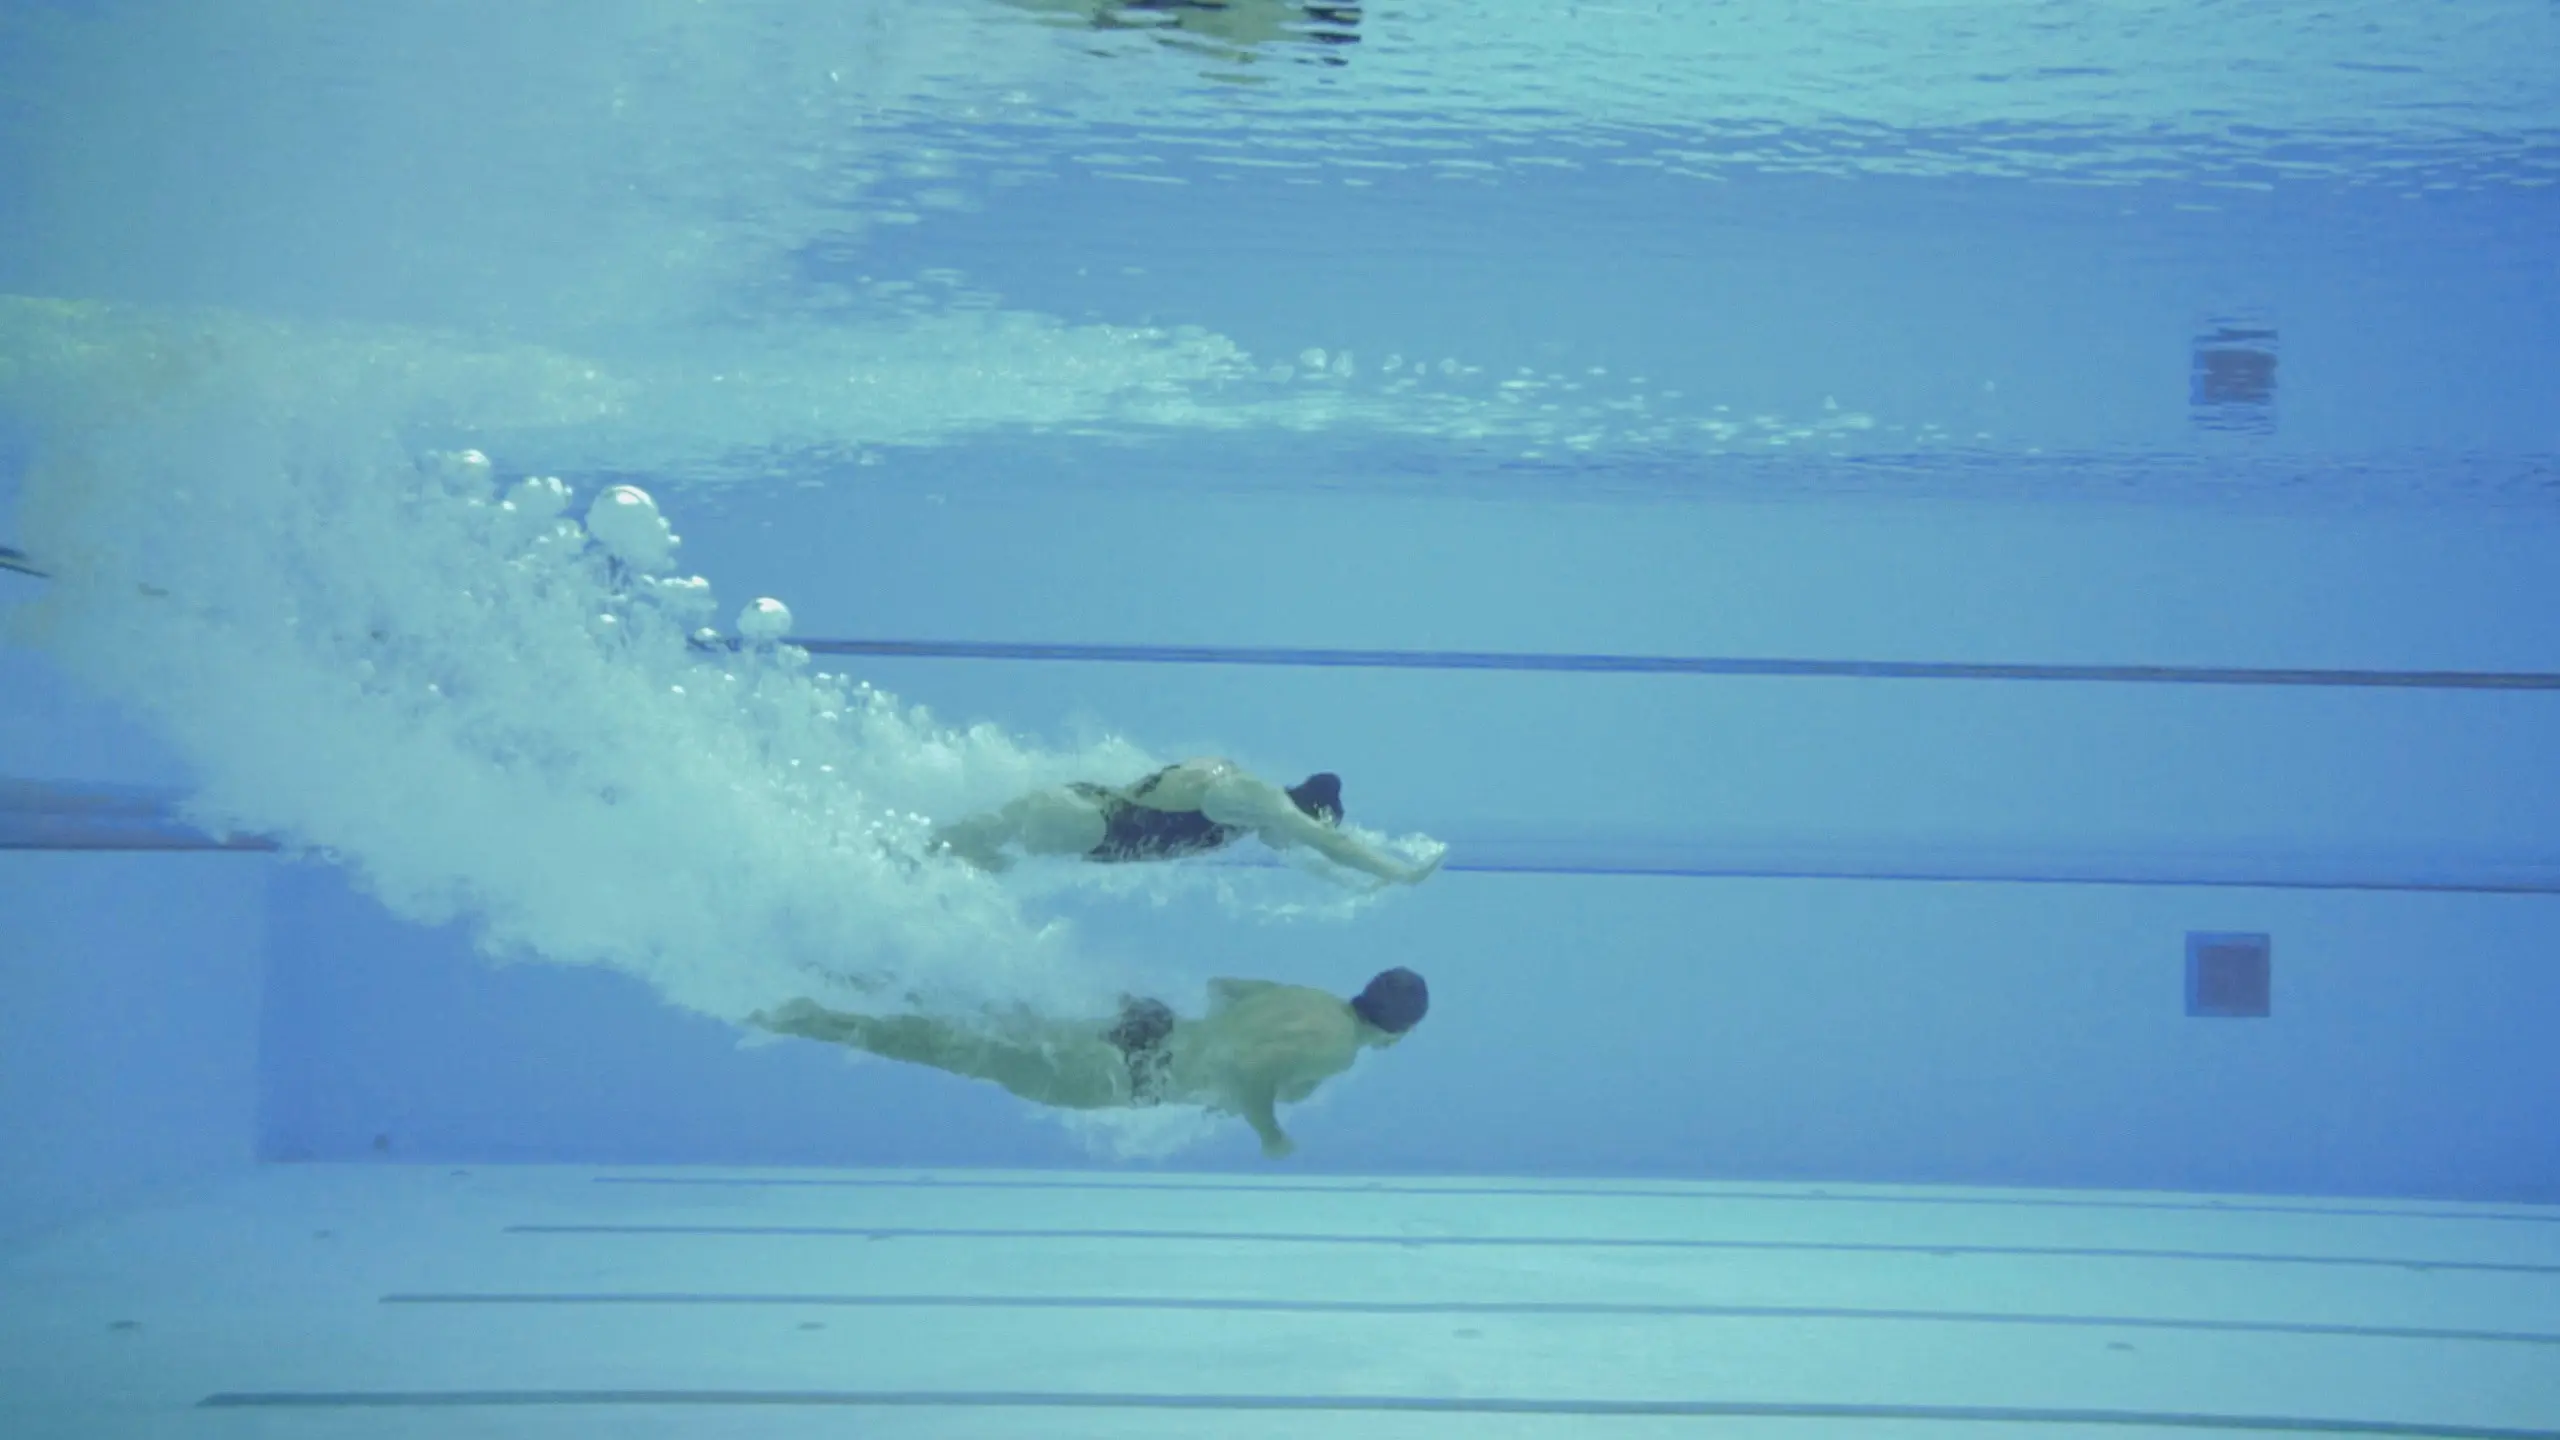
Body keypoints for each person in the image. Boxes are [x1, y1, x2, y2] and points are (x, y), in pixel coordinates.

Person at [751, 967, 1429, 1159]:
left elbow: (1223, 986)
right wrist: (1269, 1130)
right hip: (1133, 1076)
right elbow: (1246, 1070)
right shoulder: (1339, 1051)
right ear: (1396, 1036)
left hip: (1144, 1026)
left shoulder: (1304, 994)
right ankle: (809, 1018)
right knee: (961, 1051)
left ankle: (850, 981)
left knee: (988, 1014)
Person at [931, 757, 1440, 885]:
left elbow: (1313, 853)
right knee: (941, 859)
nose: (1293, 843)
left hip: (1074, 813)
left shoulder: (1254, 811)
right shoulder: (1257, 798)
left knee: (943, 856)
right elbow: (1327, 845)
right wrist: (1400, 872)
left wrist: (1356, 886)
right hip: (1083, 823)